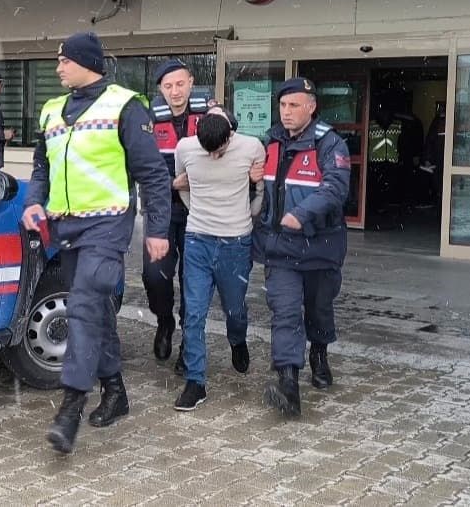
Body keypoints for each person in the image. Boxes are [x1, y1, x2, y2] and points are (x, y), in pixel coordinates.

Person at [22, 31, 171, 455]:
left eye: (64, 60)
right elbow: (40, 168)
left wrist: (158, 229)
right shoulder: (52, 111)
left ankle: (70, 407)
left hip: (107, 227)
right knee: (96, 311)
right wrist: (33, 203)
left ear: (86, 62)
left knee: (83, 306)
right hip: (65, 229)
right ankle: (116, 389)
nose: (58, 67)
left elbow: (153, 174)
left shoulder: (125, 105)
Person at [254, 77, 351, 417]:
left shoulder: (330, 144)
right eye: (283, 105)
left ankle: (319, 353)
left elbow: (336, 189)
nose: (287, 112)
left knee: (318, 308)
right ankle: (288, 382)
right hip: (280, 247)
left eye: (294, 105)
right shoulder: (269, 142)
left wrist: (301, 213)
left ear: (311, 107)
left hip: (320, 246)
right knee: (286, 311)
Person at [171, 107, 265, 411]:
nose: (212, 156)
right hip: (197, 239)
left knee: (234, 309)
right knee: (193, 313)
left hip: (235, 243)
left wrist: (244, 219)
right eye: (206, 151)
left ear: (231, 135)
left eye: (219, 150)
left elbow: (260, 191)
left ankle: (237, 340)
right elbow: (182, 187)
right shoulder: (185, 148)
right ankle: (195, 381)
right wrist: (199, 211)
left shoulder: (252, 147)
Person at [144, 59, 209, 371]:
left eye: (180, 84)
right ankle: (164, 320)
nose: (175, 91)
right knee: (155, 275)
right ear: (160, 89)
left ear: (191, 83)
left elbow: (229, 142)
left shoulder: (209, 113)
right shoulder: (148, 119)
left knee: (193, 282)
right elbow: (140, 165)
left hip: (199, 213)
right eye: (168, 86)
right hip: (161, 211)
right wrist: (171, 183)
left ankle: (189, 344)